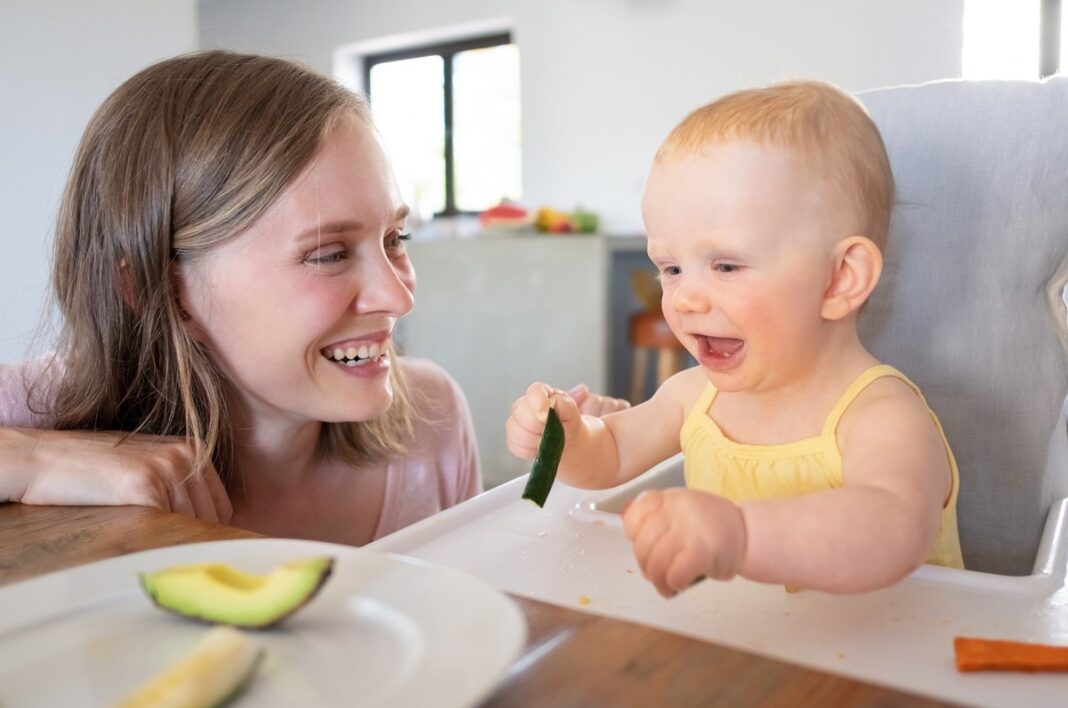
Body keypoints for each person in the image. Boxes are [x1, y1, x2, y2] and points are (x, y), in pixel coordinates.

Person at [0, 50, 623, 546]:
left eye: (395, 238)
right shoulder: (38, 413)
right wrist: (33, 461)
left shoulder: (430, 419)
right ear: (159, 290)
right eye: (328, 254)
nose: (397, 297)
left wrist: (585, 497)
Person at [507, 80, 964, 596]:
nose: (684, 299)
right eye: (671, 267)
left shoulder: (882, 414)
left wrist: (741, 534)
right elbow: (610, 454)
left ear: (840, 279)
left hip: (895, 661)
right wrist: (567, 440)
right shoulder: (693, 397)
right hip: (747, 651)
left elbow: (891, 531)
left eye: (725, 265)